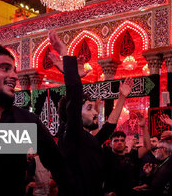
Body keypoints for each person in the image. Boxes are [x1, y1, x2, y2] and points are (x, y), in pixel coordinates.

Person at [0, 45, 71, 195]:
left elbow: (59, 166)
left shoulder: (25, 120)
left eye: (14, 70)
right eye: (5, 68)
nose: (14, 76)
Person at [48, 30, 134, 196]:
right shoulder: (71, 136)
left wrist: (122, 97)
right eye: (89, 108)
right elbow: (74, 93)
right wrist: (66, 55)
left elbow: (109, 126)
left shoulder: (87, 140)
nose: (95, 113)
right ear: (74, 114)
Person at [103, 111, 151, 196]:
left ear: (125, 143)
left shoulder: (131, 156)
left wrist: (143, 127)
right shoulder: (106, 156)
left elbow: (147, 147)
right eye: (116, 141)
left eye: (122, 140)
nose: (119, 142)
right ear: (110, 144)